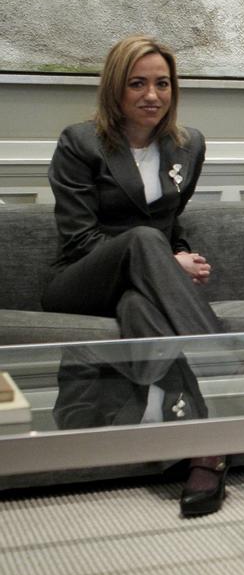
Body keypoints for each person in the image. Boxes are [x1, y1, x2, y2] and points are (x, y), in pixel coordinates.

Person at [43, 35, 228, 518]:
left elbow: (172, 223)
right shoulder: (80, 142)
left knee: (140, 307)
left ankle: (204, 451)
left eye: (162, 84)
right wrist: (168, 261)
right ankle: (224, 364)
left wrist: (179, 252)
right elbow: (80, 240)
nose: (152, 95)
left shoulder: (188, 147)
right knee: (146, 241)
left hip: (136, 289)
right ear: (115, 90)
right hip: (81, 282)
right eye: (138, 83)